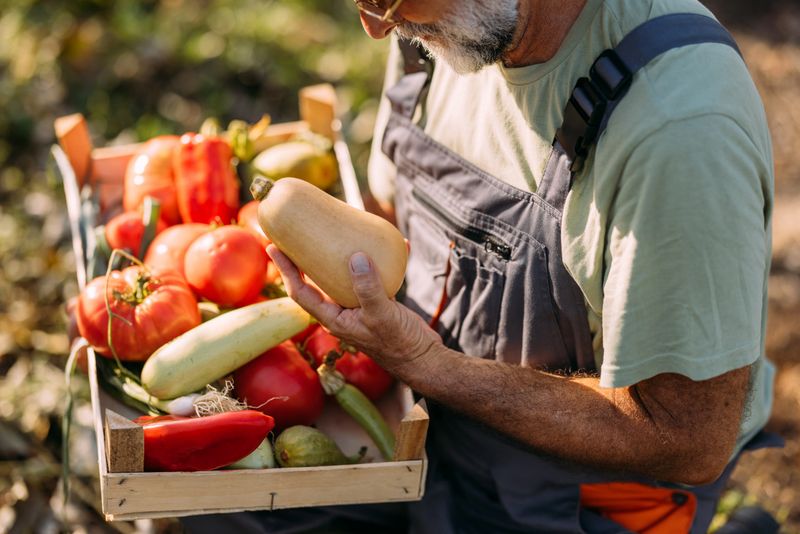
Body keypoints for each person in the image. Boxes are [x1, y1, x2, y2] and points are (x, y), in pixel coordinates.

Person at [186, 0, 779, 532]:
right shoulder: (438, 31)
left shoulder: (677, 128)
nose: (375, 26)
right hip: (422, 432)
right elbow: (395, 215)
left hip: (569, 499)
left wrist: (425, 363)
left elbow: (686, 436)